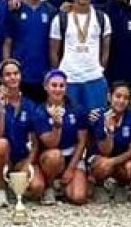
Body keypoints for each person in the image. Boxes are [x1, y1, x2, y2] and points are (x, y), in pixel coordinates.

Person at [49, 0, 111, 112]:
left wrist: (100, 68)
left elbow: (106, 48)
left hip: (94, 79)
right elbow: (53, 51)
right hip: (69, 78)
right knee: (69, 120)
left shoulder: (102, 18)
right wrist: (58, 75)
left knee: (97, 120)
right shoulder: (61, 19)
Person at [30, 70, 89, 205]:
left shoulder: (77, 109)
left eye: (61, 86)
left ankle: (63, 186)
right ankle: (49, 186)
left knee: (78, 197)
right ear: (46, 87)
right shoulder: (39, 112)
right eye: (54, 85)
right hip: (49, 157)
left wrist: (71, 169)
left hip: (71, 156)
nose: (58, 89)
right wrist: (57, 125)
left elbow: (82, 142)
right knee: (54, 156)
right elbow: (51, 143)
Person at [0, 60, 37, 210]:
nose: (12, 77)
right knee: (0, 143)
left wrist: (28, 164)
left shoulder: (30, 104)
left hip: (22, 157)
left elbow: (35, 142)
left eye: (15, 73)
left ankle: (17, 185)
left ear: (20, 76)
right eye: (8, 75)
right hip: (3, 156)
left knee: (37, 188)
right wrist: (1, 107)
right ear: (1, 79)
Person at [3, 0, 56, 103]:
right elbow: (7, 43)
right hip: (20, 76)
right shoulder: (15, 10)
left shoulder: (50, 10)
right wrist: (7, 69)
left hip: (43, 76)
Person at [88, 82, 131, 199]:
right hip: (101, 157)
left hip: (121, 158)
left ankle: (121, 185)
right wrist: (109, 131)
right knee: (103, 165)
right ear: (109, 97)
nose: (121, 101)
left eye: (126, 98)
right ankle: (98, 185)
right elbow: (105, 151)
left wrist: (112, 162)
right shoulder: (99, 116)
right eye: (118, 96)